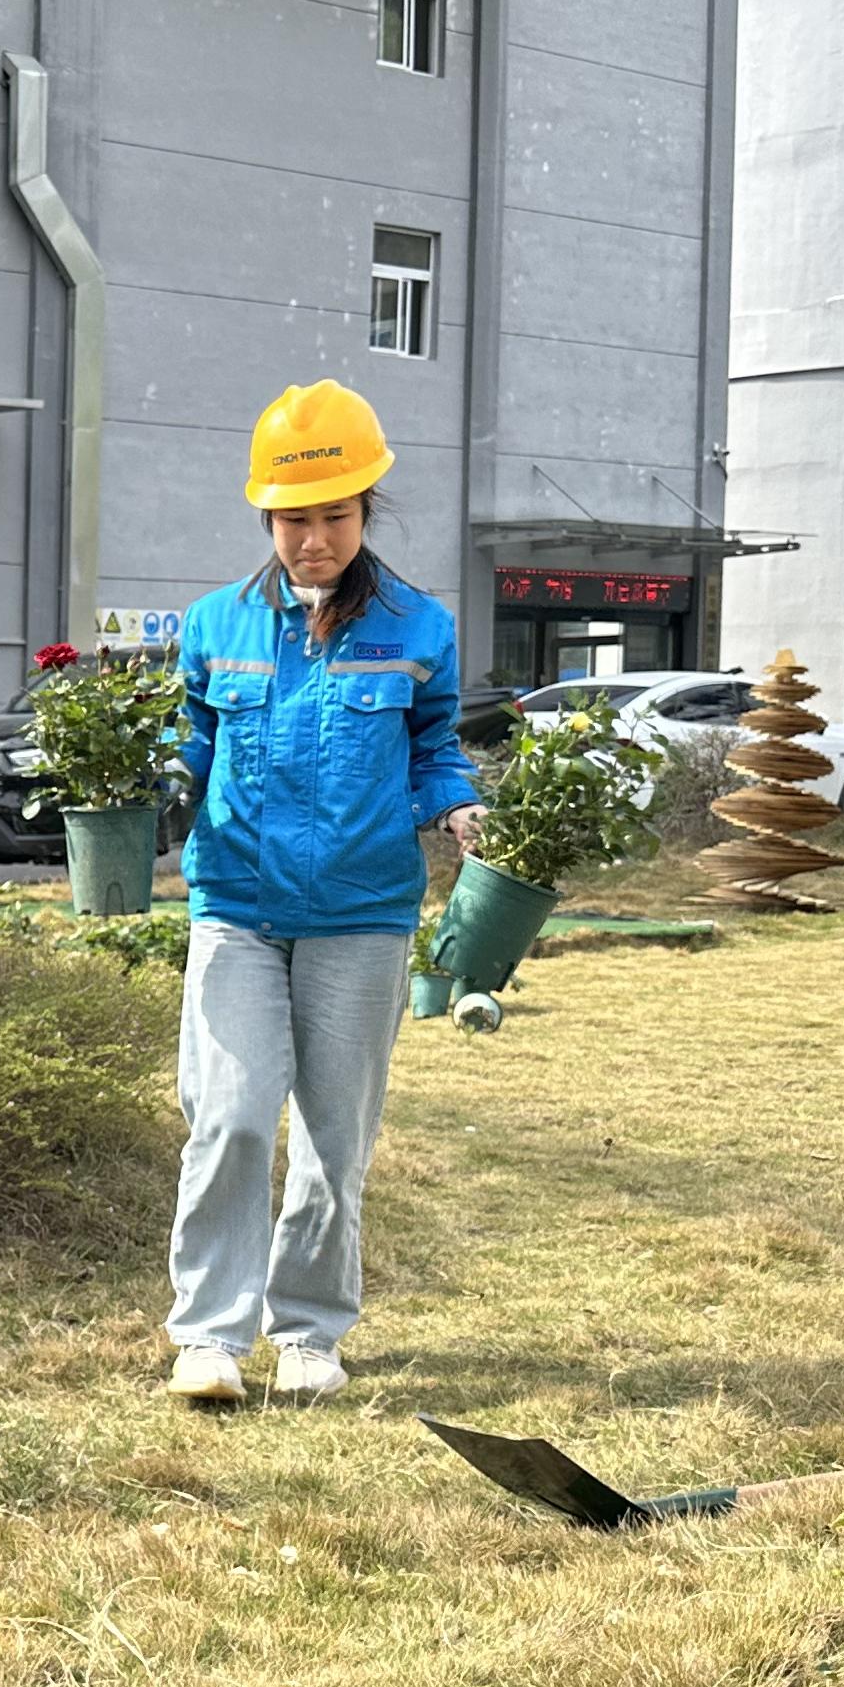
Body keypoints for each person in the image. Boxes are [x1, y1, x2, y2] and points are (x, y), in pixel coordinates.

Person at [163, 382, 482, 1407]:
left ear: (366, 511)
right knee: (233, 1117)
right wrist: (145, 782)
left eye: (334, 516)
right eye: (295, 519)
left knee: (334, 1136)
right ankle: (209, 1336)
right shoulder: (215, 626)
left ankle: (307, 1330)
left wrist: (460, 807)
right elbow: (188, 753)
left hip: (362, 913)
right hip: (238, 907)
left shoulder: (418, 628)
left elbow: (433, 746)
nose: (314, 539)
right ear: (268, 517)